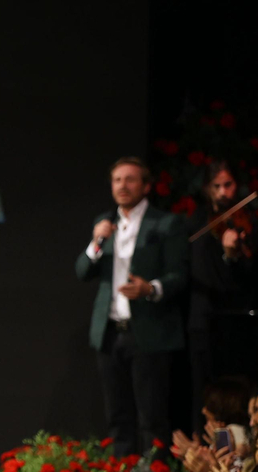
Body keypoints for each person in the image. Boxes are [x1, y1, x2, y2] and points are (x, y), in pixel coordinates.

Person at [75, 156, 189, 455]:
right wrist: (96, 243)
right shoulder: (104, 224)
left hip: (148, 332)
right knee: (117, 416)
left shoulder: (166, 223)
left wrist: (149, 288)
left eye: (130, 179)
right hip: (110, 332)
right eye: (117, 180)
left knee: (152, 417)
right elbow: (82, 271)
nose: (122, 186)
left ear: (146, 186)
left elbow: (179, 276)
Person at [186, 161, 254, 431]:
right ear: (207, 188)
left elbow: (248, 274)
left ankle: (232, 449)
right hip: (202, 318)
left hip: (234, 318)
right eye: (216, 186)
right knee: (202, 390)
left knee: (232, 393)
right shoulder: (196, 222)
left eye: (228, 185)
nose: (223, 192)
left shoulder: (244, 222)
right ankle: (204, 448)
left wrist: (231, 255)